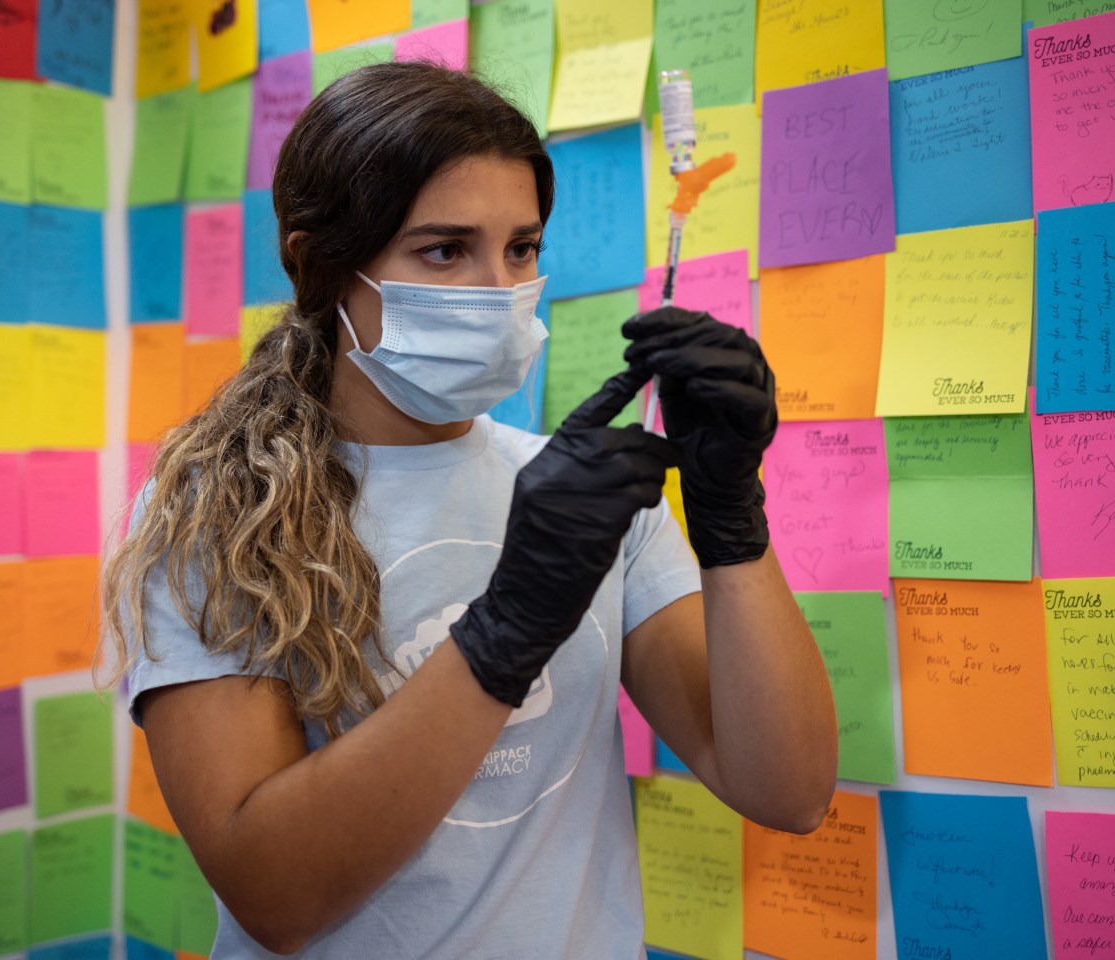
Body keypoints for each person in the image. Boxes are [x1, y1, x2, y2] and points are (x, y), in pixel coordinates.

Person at [103, 61, 838, 959]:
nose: (497, 289)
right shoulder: (221, 511)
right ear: (319, 263)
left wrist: (733, 520)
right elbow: (275, 895)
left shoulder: (579, 497)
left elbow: (788, 790)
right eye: (445, 250)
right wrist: (508, 628)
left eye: (521, 248)